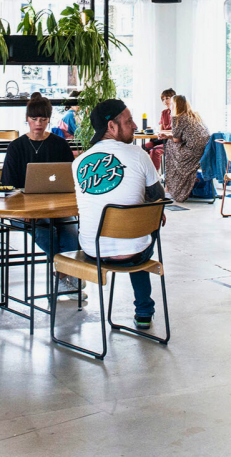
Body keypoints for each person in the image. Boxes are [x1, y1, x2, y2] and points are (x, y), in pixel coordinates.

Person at [72, 99, 166, 329]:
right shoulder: (139, 155)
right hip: (135, 253)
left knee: (133, 229)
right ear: (111, 126)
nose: (135, 126)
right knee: (146, 225)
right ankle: (144, 311)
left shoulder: (79, 162)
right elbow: (158, 197)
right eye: (129, 121)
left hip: (93, 250)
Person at [2, 93, 82, 292]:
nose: (38, 123)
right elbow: (8, 186)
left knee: (71, 231)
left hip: (56, 207)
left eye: (43, 119)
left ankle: (62, 274)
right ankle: (67, 272)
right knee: (46, 231)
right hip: (25, 210)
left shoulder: (60, 145)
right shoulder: (16, 147)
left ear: (49, 119)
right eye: (34, 118)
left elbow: (70, 180)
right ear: (27, 118)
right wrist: (26, 211)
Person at [163, 95, 210, 202]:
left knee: (170, 145)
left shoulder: (178, 117)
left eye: (171, 104)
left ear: (175, 105)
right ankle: (170, 187)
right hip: (204, 152)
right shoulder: (195, 116)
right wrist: (169, 135)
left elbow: (176, 139)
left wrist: (167, 136)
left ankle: (169, 189)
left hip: (192, 154)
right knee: (172, 146)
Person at [144, 88, 176, 170]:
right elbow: (160, 129)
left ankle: (155, 175)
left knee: (155, 150)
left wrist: (163, 131)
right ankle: (146, 172)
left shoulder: (178, 113)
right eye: (163, 99)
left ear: (174, 99)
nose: (165, 101)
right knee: (143, 147)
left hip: (171, 142)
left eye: (167, 98)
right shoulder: (164, 112)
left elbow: (176, 131)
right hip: (161, 140)